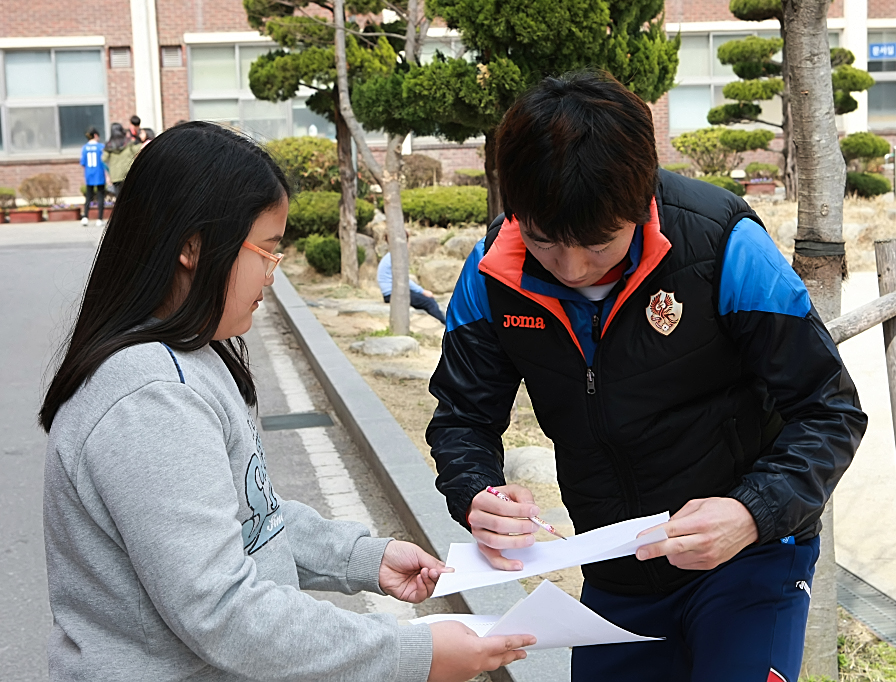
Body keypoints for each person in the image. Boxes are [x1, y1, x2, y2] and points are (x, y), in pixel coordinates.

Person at [39, 121, 534, 682]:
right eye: (266, 250)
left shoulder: (193, 358)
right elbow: (222, 609)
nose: (273, 274)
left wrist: (364, 558)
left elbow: (251, 522)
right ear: (191, 247)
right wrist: (413, 654)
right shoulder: (151, 399)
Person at [426, 71, 868, 682]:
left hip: (747, 557)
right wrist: (478, 492)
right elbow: (462, 417)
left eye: (599, 244)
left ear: (642, 201)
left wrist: (751, 512)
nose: (574, 267)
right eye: (546, 242)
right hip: (616, 573)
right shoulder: (492, 271)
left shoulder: (723, 245)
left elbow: (830, 410)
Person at [377, 240, 446, 325]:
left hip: (391, 292)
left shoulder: (390, 256)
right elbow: (404, 280)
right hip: (393, 294)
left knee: (425, 300)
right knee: (429, 302)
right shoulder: (396, 257)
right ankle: (445, 325)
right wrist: (422, 291)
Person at [103, 123, 141, 197]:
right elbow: (137, 151)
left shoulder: (109, 145)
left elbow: (103, 159)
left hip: (115, 175)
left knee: (119, 198)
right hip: (128, 173)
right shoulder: (128, 142)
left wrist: (108, 173)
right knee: (129, 195)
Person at [79, 127, 106, 226]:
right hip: (99, 174)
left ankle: (85, 217)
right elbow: (104, 161)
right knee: (100, 196)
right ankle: (99, 219)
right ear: (95, 135)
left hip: (89, 174)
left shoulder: (85, 148)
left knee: (88, 196)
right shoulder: (101, 147)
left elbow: (83, 163)